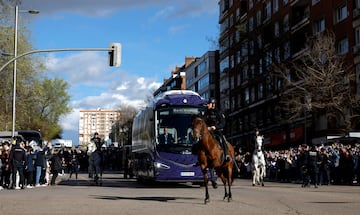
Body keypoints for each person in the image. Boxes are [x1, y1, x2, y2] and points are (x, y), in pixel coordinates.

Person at [205, 97, 229, 161]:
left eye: (209, 103)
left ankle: (226, 155)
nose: (207, 105)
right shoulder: (206, 113)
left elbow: (223, 123)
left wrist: (215, 127)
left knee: (222, 140)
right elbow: (204, 122)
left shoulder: (219, 112)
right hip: (208, 131)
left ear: (213, 104)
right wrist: (207, 127)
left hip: (217, 131)